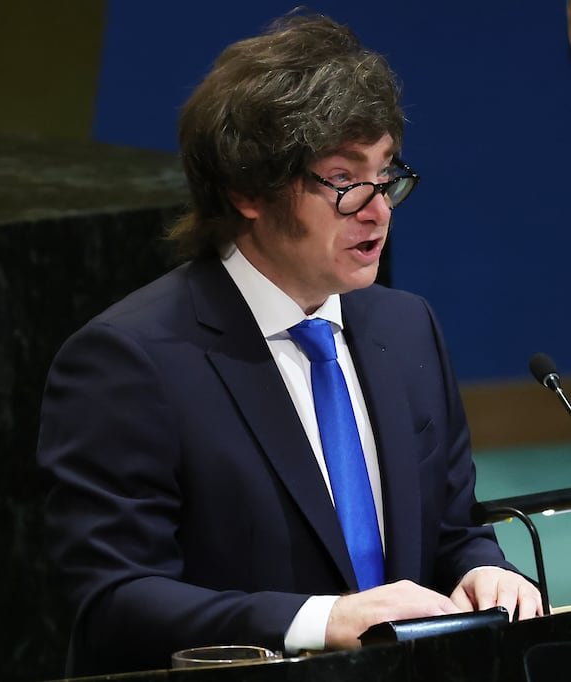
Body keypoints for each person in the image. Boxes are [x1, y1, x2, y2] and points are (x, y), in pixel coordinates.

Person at [36, 12, 542, 677]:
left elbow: (452, 530)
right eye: (344, 180)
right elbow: (114, 600)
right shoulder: (129, 360)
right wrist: (320, 622)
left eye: (386, 172)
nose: (378, 209)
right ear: (248, 190)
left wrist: (484, 570)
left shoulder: (406, 327)